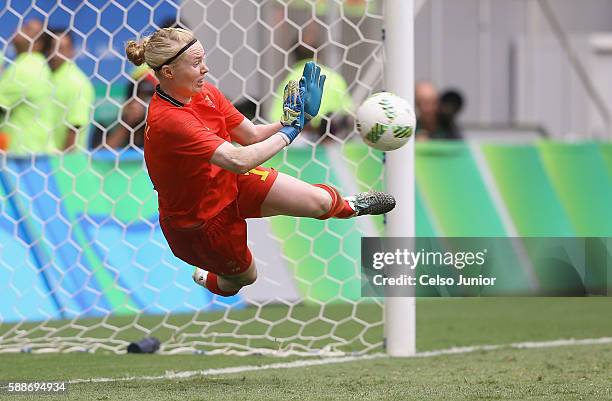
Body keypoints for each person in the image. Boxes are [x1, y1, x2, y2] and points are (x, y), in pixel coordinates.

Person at [125, 27, 395, 297]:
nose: (205, 69)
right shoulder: (169, 120)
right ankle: (205, 276)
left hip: (232, 181)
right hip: (201, 223)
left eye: (203, 59)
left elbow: (251, 135)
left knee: (320, 201)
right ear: (169, 72)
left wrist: (292, 119)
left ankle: (351, 205)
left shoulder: (207, 94)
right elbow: (238, 159)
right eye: (196, 63)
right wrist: (291, 132)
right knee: (243, 278)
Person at [267, 29, 353, 144]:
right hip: (332, 143)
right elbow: (348, 114)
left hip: (300, 143)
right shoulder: (335, 78)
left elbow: (277, 119)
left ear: (294, 55)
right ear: (319, 53)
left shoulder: (289, 80)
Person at [0, 18, 55, 153]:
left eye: (27, 29)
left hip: (23, 157)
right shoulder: (36, 65)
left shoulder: (25, 68)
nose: (19, 29)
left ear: (38, 44)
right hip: (35, 152)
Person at [42, 28, 95, 152]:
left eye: (61, 48)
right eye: (51, 48)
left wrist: (63, 163)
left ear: (71, 51)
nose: (54, 54)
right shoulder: (45, 76)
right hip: (43, 160)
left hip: (65, 164)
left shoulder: (77, 83)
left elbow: (75, 126)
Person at [104, 70, 156, 149]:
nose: (144, 102)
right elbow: (100, 156)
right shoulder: (107, 125)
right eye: (137, 94)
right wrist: (128, 122)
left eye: (149, 96)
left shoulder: (162, 125)